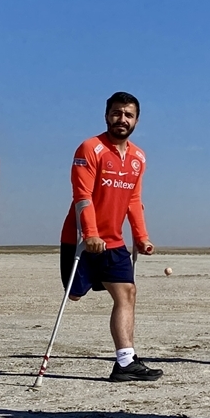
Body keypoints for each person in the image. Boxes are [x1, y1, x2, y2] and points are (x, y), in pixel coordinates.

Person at [60, 92, 159, 382]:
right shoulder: (90, 148)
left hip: (114, 241)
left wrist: (141, 237)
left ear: (137, 120)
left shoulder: (139, 158)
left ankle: (125, 362)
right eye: (117, 113)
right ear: (107, 116)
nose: (122, 119)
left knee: (127, 293)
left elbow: (133, 200)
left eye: (128, 115)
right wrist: (90, 233)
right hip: (81, 239)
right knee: (74, 294)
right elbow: (82, 197)